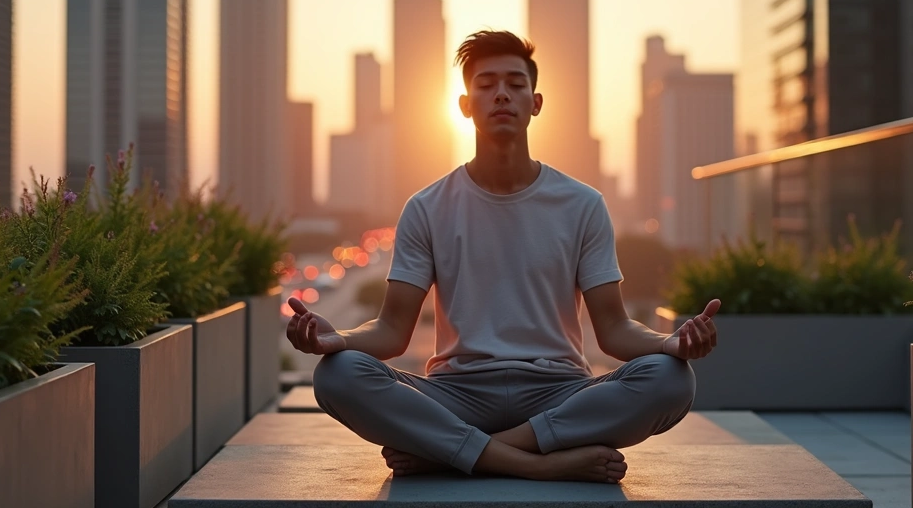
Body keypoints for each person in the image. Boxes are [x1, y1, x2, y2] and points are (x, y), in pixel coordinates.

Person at [285, 30, 720, 484]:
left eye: (514, 84)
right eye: (486, 84)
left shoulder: (582, 204)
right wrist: (339, 340)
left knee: (672, 380)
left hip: (559, 392)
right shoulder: (427, 207)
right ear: (465, 105)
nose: (501, 95)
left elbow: (614, 330)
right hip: (457, 393)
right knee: (337, 375)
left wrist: (670, 345)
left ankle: (457, 452)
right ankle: (537, 463)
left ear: (535, 103)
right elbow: (392, 331)